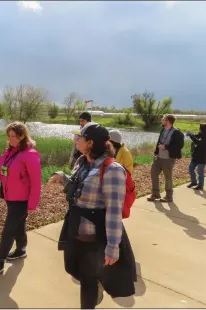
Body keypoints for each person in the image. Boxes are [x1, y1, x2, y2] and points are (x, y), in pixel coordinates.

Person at [48, 123, 136, 309]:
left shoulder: (112, 170)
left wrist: (113, 246)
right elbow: (79, 187)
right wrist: (63, 177)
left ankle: (92, 294)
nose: (75, 139)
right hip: (74, 229)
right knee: (72, 268)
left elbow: (114, 211)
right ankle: (97, 284)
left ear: (90, 142)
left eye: (79, 137)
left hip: (94, 238)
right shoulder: (82, 162)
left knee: (87, 283)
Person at [0, 121, 41, 275]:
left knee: (9, 229)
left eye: (13, 136)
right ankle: (21, 249)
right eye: (9, 136)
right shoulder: (8, 153)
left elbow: (36, 181)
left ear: (22, 136)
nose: (10, 139)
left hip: (22, 201)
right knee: (18, 225)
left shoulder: (30, 155)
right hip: (10, 197)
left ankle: (0, 261)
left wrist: (32, 204)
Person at [147, 114, 184, 203]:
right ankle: (155, 194)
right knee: (153, 173)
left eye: (163, 119)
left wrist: (166, 147)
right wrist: (155, 152)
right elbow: (159, 142)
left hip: (168, 159)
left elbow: (180, 146)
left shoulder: (176, 132)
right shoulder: (163, 130)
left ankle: (168, 196)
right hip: (158, 157)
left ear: (168, 121)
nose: (162, 121)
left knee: (168, 178)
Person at [186, 123, 206, 190]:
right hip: (196, 155)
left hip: (202, 156)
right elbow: (196, 136)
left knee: (200, 171)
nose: (199, 129)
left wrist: (191, 136)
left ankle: (200, 185)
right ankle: (194, 182)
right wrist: (190, 133)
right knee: (190, 168)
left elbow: (198, 142)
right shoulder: (201, 134)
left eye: (200, 128)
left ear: (203, 129)